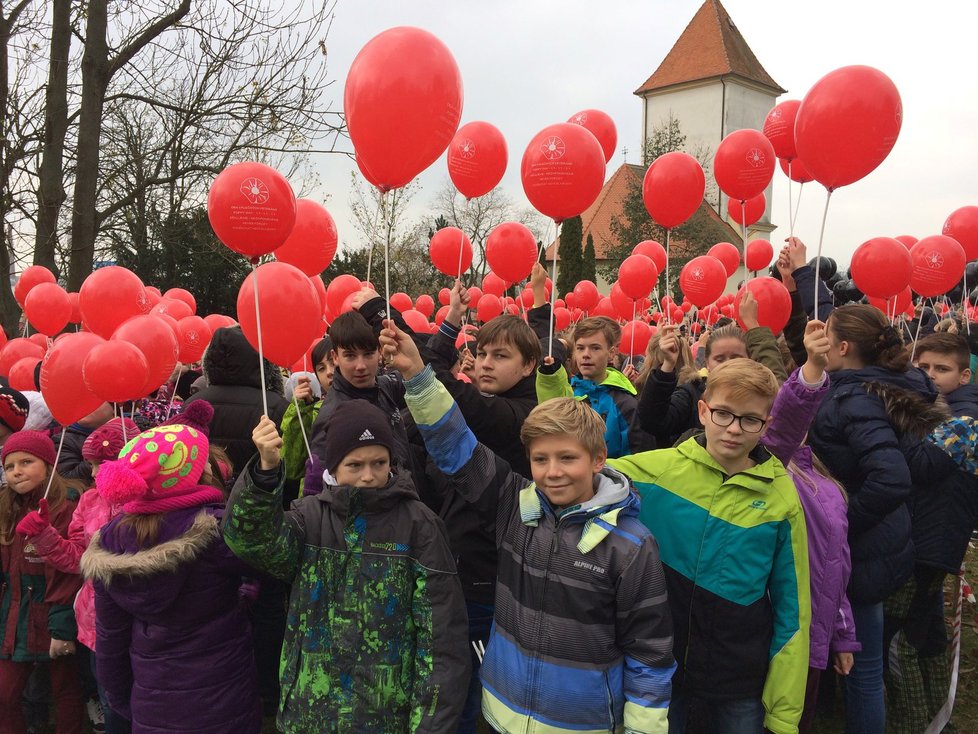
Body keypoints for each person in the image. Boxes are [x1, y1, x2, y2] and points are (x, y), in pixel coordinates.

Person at [379, 321, 675, 734]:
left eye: (567, 458)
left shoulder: (630, 544)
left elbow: (649, 652)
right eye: (540, 460)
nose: (552, 473)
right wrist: (416, 374)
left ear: (597, 458)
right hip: (503, 714)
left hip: (580, 723)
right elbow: (455, 446)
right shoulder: (514, 507)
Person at [222, 400, 470, 732]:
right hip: (310, 712)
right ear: (334, 467)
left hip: (386, 717)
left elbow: (441, 639)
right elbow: (248, 539)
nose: (368, 476)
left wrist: (430, 725)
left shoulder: (420, 526)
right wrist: (265, 473)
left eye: (379, 463)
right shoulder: (308, 518)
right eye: (355, 465)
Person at [609, 358, 810, 734]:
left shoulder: (780, 496)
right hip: (662, 665)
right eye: (723, 414)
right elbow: (575, 465)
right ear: (703, 411)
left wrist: (783, 714)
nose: (734, 429)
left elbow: (794, 608)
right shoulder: (656, 471)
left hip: (738, 674)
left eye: (750, 420)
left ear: (766, 425)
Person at [80, 404, 261, 733]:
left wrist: (122, 698)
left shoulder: (111, 540)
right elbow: (266, 566)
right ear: (196, 472)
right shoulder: (217, 530)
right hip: (224, 693)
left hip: (152, 699)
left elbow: (110, 637)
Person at [808, 303, 937, 734]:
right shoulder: (878, 384)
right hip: (878, 544)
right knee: (862, 659)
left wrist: (842, 526)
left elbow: (890, 477)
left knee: (863, 669)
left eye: (827, 332)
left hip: (862, 550)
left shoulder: (853, 398)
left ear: (842, 347)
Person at [759, 322, 860, 733]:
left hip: (814, 637)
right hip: (769, 633)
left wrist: (842, 635)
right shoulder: (767, 470)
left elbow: (834, 569)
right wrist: (813, 368)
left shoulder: (827, 486)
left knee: (797, 718)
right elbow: (784, 424)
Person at [16, 417, 138, 734]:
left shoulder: (145, 505)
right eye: (91, 464)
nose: (93, 473)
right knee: (110, 697)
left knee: (142, 697)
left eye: (102, 464)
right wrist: (45, 537)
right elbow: (76, 558)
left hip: (139, 618)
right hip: (96, 620)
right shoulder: (89, 499)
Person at [0, 431, 83, 734]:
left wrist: (62, 627)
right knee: (5, 695)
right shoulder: (4, 506)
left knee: (66, 689)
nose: (17, 471)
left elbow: (68, 573)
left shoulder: (68, 506)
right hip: (14, 615)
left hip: (54, 611)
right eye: (9, 466)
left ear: (48, 465)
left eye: (26, 462)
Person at [637, 291, 788, 448]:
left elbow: (781, 400)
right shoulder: (692, 392)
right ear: (707, 363)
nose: (727, 365)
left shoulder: (759, 395)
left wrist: (754, 327)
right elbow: (652, 421)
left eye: (736, 357)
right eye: (719, 359)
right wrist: (667, 365)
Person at [536, 316, 653, 457]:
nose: (586, 355)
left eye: (595, 348)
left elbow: (638, 457)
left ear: (611, 353)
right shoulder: (567, 392)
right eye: (580, 348)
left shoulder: (626, 405)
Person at [281, 337, 333, 489]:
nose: (329, 372)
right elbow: (291, 468)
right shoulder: (313, 410)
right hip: (315, 501)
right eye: (321, 368)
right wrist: (300, 410)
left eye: (333, 363)